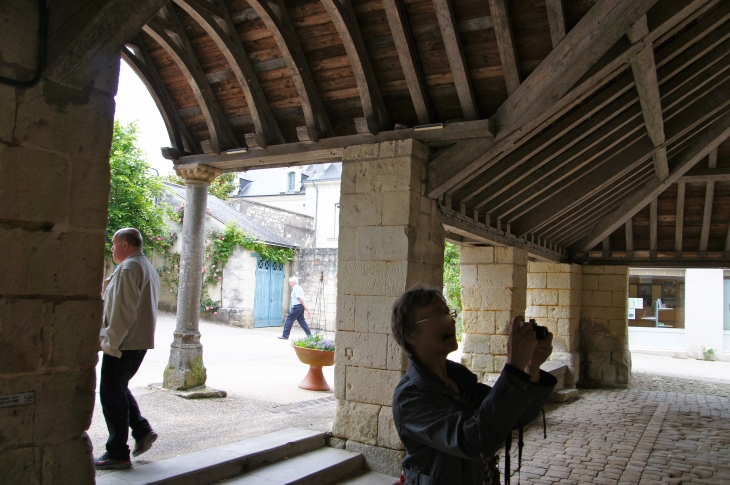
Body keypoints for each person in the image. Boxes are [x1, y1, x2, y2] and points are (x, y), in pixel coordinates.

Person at [391, 286, 557, 484]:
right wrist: (514, 369)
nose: (451, 319)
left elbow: (515, 416)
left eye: (449, 312)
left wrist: (531, 367)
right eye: (440, 314)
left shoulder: (459, 378)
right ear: (411, 334)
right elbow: (476, 442)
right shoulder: (411, 397)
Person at [95, 228, 160, 470]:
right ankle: (142, 431)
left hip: (125, 343)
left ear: (124, 244)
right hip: (137, 342)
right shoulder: (146, 266)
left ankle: (117, 453)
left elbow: (123, 311)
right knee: (118, 389)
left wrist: (109, 344)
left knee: (111, 395)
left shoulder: (129, 268)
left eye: (113, 244)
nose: (112, 249)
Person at [278, 276, 312, 340]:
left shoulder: (296, 289)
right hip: (300, 306)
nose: (289, 283)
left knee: (289, 319)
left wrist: (305, 306)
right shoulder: (299, 288)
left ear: (294, 282)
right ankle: (310, 336)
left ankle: (285, 335)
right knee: (302, 321)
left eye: (290, 282)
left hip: (297, 306)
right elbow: (302, 299)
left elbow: (301, 299)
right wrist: (304, 306)